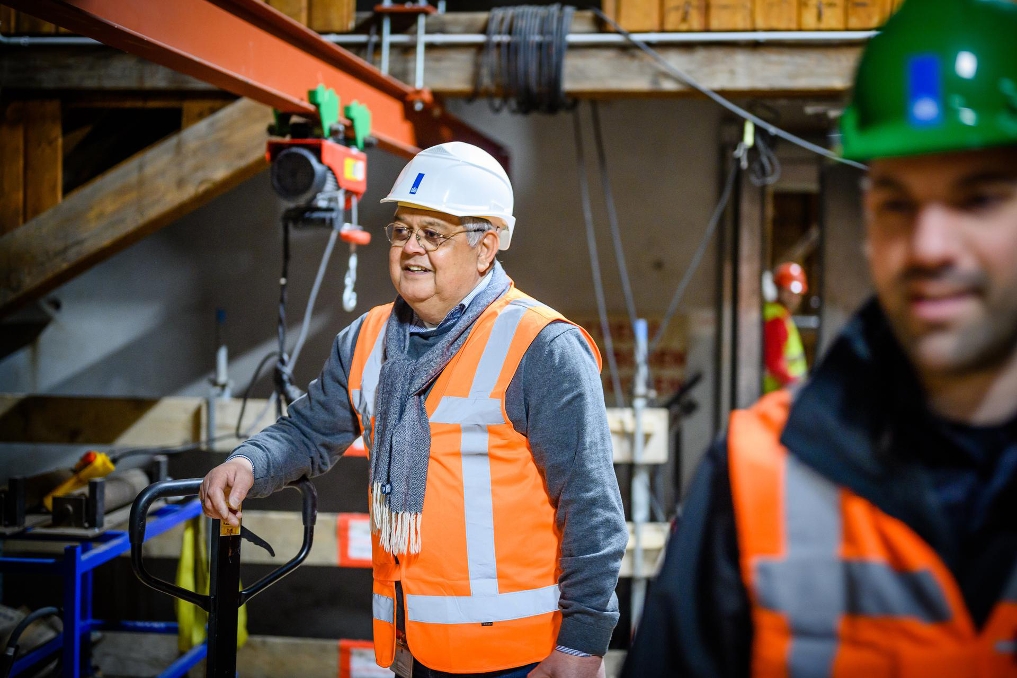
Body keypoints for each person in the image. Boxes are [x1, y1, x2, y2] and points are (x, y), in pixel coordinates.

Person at [623, 0, 1017, 674]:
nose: (927, 246)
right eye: (896, 202)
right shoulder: (755, 475)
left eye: (976, 198)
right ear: (867, 218)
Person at [199, 142, 626, 678]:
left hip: (521, 660)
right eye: (402, 231)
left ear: (486, 247)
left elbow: (591, 505)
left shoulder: (542, 347)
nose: (411, 249)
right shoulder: (367, 339)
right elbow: (309, 433)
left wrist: (582, 645)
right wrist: (249, 464)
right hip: (410, 653)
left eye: (433, 234)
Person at [763, 262, 809, 393]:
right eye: (789, 292)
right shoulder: (776, 319)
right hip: (778, 393)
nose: (794, 297)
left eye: (797, 294)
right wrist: (795, 385)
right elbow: (774, 364)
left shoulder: (781, 315)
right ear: (779, 289)